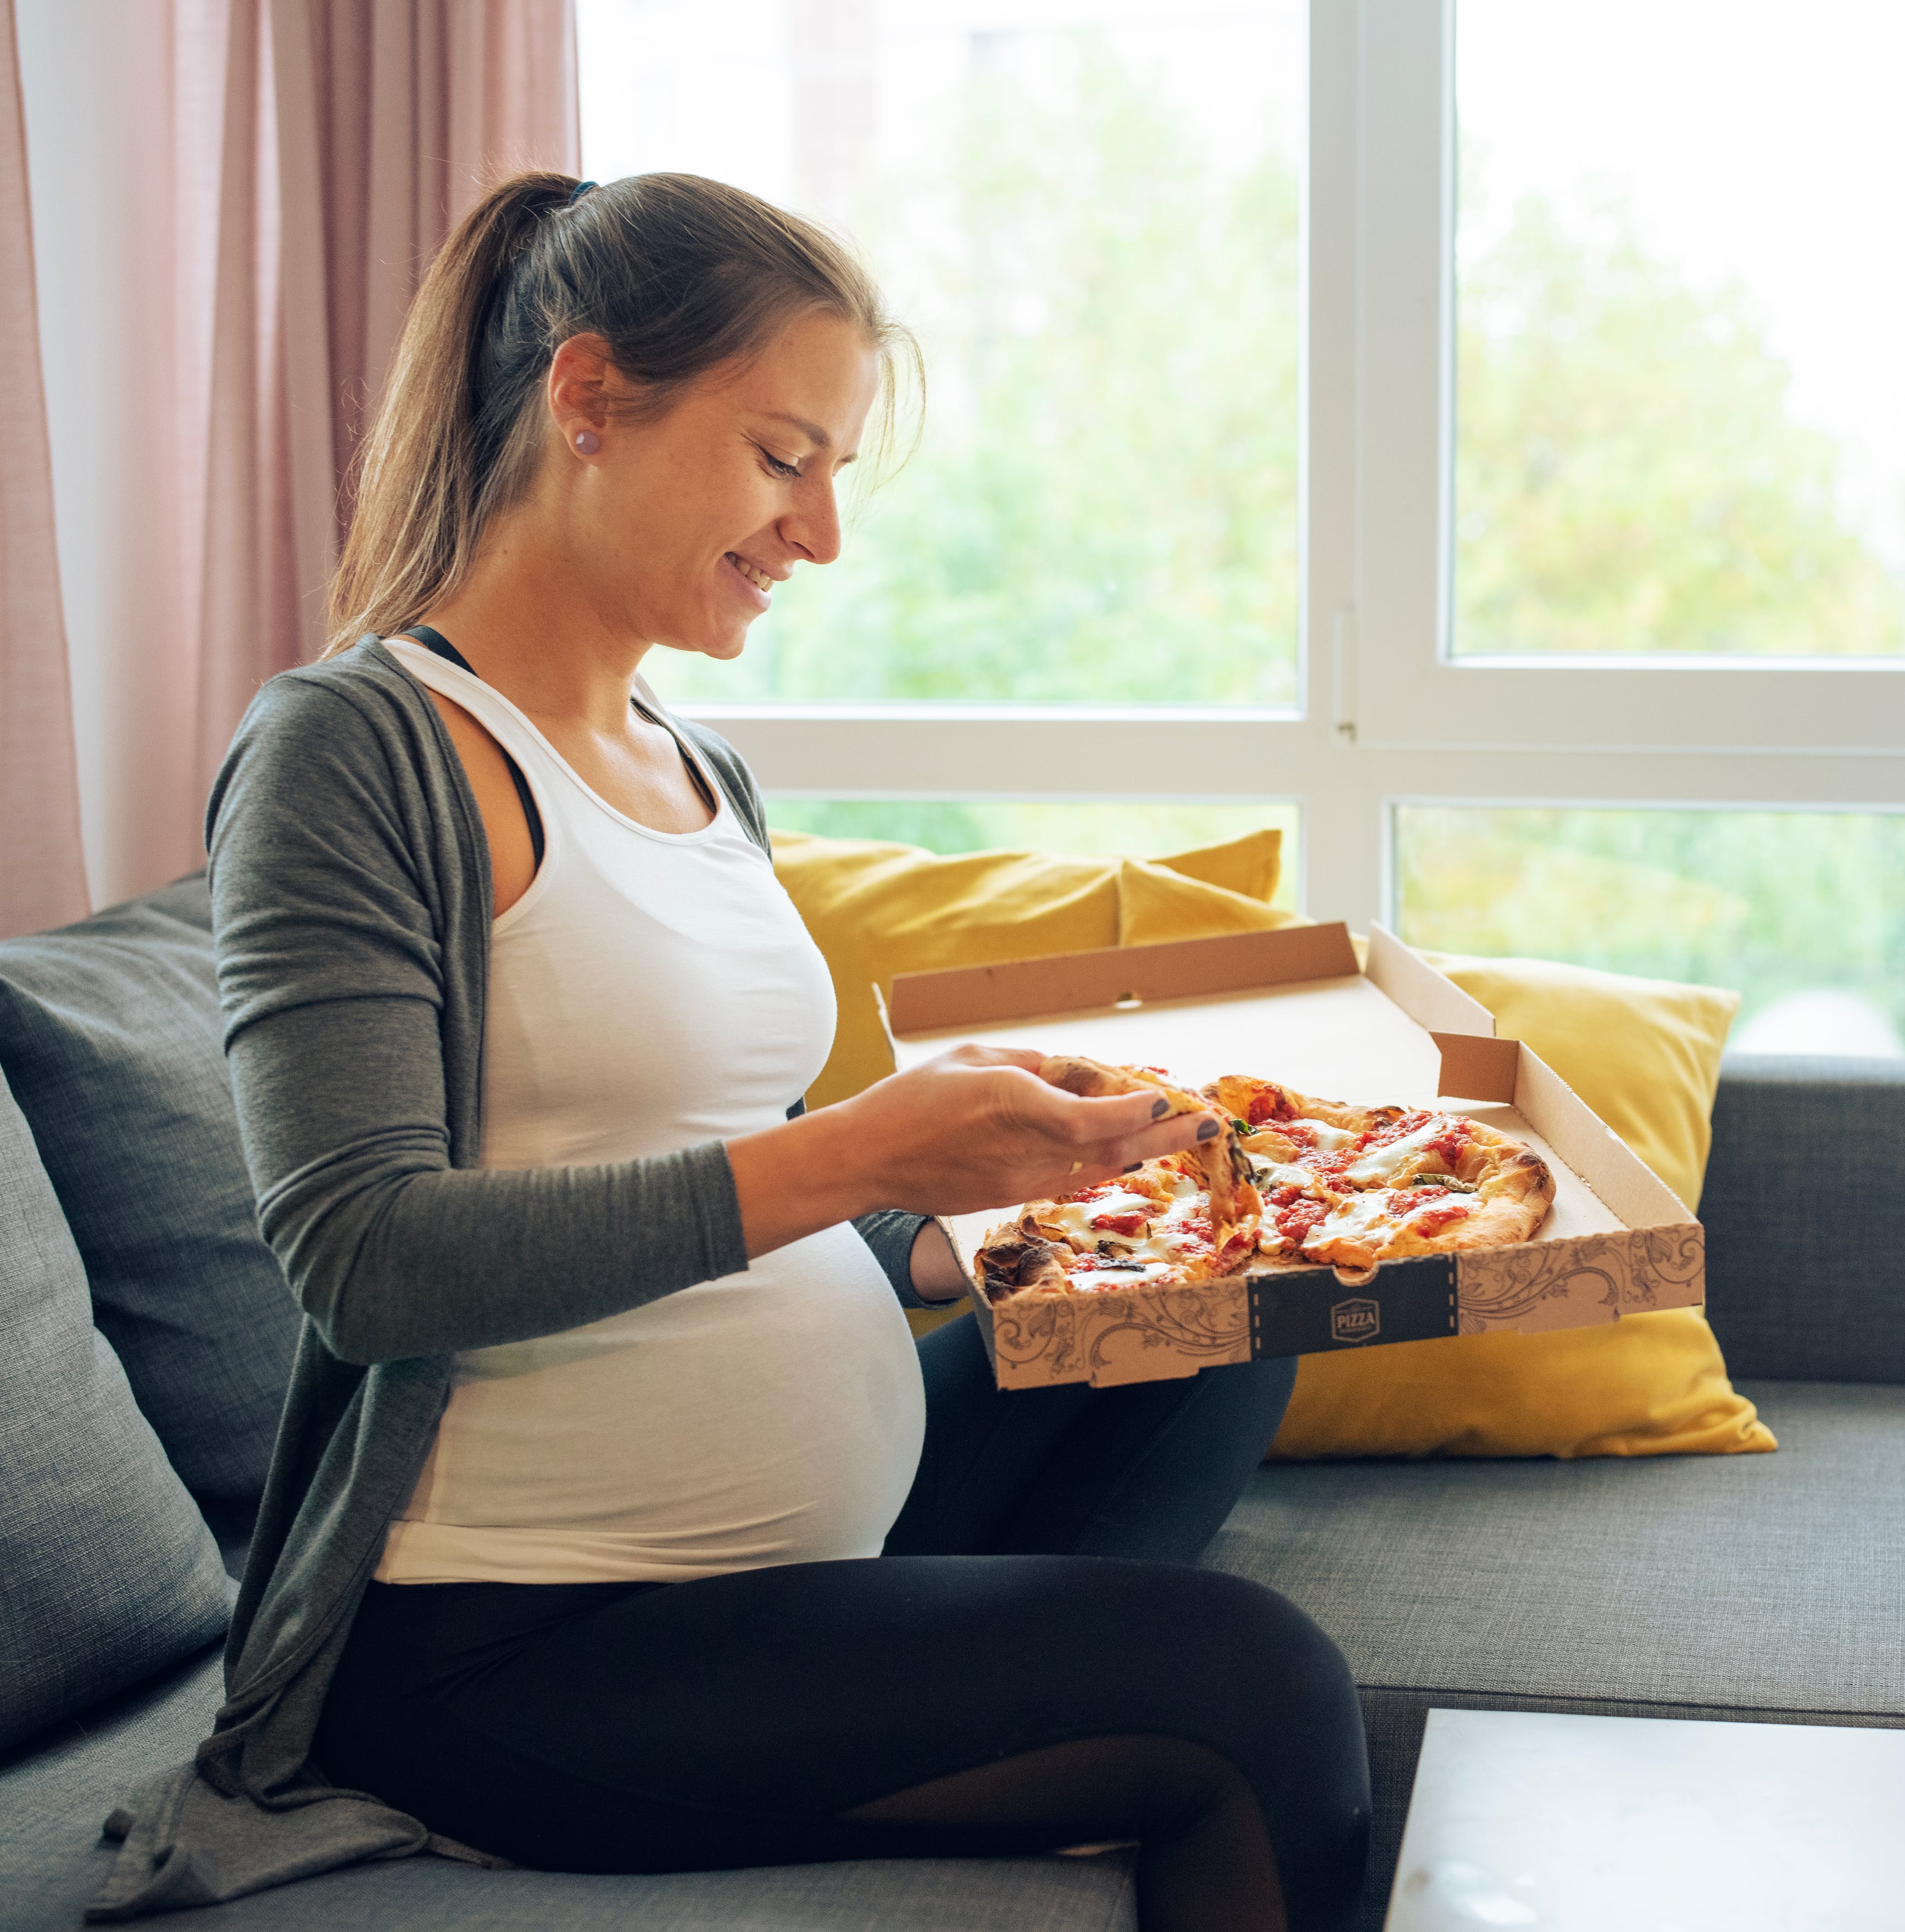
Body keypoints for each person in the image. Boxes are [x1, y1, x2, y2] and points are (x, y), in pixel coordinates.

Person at [89, 172, 1369, 1931]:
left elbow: (721, 1177)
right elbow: (366, 1262)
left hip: (796, 1553)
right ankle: (1051, 1720)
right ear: (590, 397)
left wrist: (960, 1213)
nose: (822, 533)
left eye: (835, 472)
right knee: (1260, 1687)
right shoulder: (354, 752)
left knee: (1209, 1317)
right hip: (520, 1639)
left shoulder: (699, 768)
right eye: (786, 458)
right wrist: (875, 1150)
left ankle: (989, 1715)